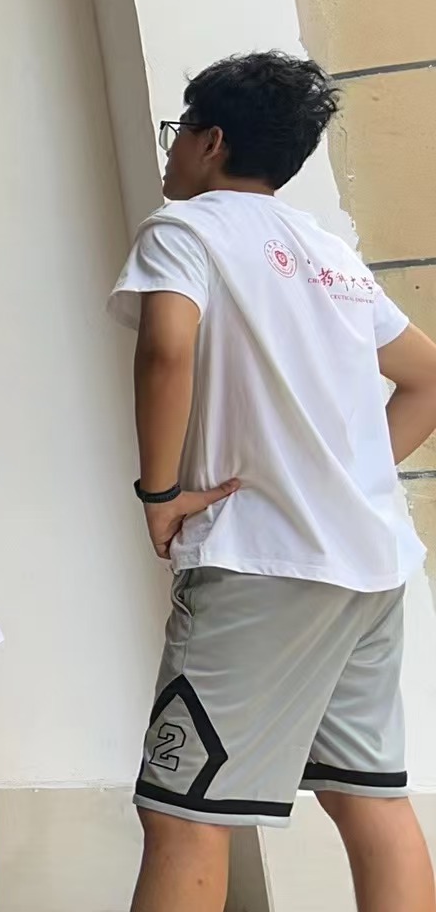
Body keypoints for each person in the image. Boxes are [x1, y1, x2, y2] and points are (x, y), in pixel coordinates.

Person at [111, 51, 436, 912]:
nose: (173, 149)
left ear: (212, 141)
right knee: (369, 799)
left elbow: (166, 348)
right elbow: (429, 378)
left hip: (261, 562)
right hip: (370, 567)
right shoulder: (329, 253)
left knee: (183, 811)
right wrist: (344, 477)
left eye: (180, 130)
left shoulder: (186, 231)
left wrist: (158, 497)